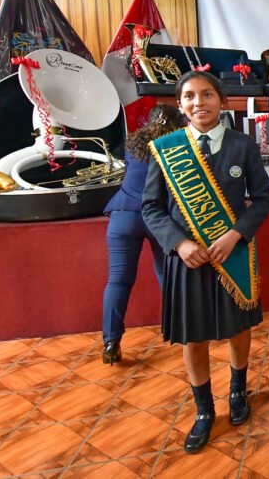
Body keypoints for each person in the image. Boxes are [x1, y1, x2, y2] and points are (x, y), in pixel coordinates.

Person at [141, 71, 269, 454]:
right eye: (190, 97)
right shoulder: (165, 148)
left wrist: (236, 234)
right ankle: (203, 410)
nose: (199, 102)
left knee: (238, 329)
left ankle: (237, 391)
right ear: (180, 105)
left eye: (207, 94)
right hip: (188, 262)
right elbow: (150, 207)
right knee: (193, 335)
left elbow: (263, 200)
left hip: (232, 254)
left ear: (223, 101)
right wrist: (178, 244)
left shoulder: (242, 145)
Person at [101, 103, 184, 364]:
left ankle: (111, 341)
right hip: (157, 218)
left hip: (123, 215)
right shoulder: (177, 147)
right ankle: (179, 331)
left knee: (118, 281)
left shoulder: (132, 145)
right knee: (167, 275)